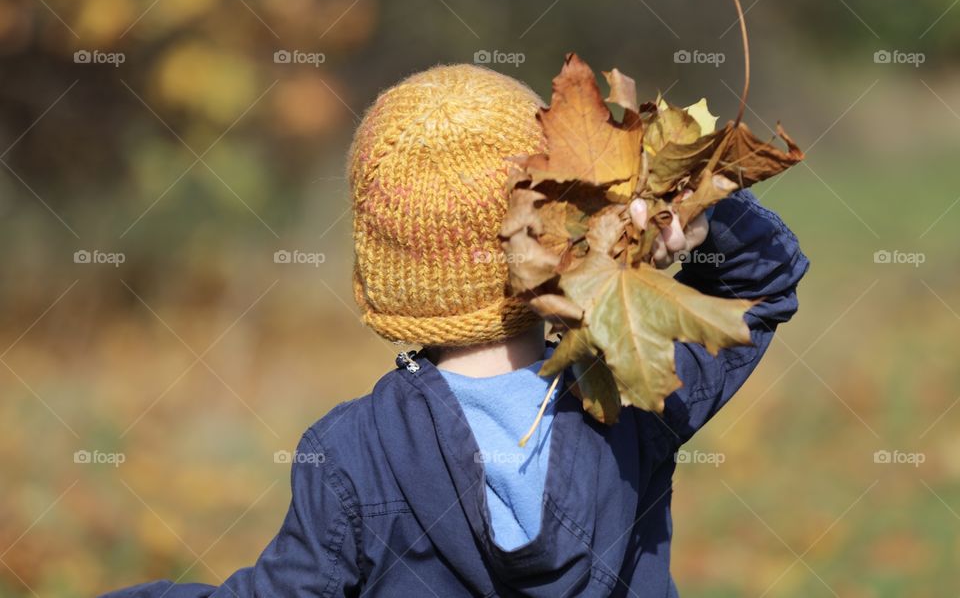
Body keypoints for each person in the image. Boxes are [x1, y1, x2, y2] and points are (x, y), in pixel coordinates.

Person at [103, 63, 808, 597]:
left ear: (387, 267)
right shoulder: (633, 393)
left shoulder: (350, 454)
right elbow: (764, 286)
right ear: (562, 225)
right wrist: (682, 213)